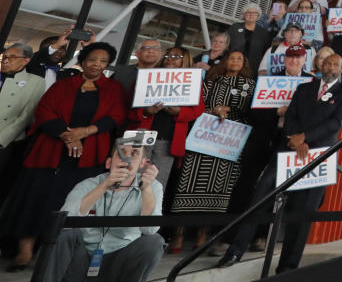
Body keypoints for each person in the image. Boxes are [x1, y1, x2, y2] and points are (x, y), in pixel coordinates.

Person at [218, 53, 342, 273]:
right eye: (327, 63)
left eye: (335, 64)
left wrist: (306, 138)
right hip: (289, 150)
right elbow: (291, 115)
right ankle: (234, 251)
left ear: (341, 69)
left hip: (317, 157)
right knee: (259, 198)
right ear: (320, 66)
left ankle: (287, 268)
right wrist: (295, 138)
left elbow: (335, 123)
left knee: (303, 213)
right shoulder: (304, 88)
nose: (330, 67)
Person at [0, 42, 126, 271]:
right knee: (34, 199)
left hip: (88, 157)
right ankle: (24, 251)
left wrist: (85, 132)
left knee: (73, 204)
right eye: (92, 59)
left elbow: (115, 116)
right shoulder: (63, 85)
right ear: (83, 61)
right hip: (50, 151)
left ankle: (56, 252)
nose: (97, 64)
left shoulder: (114, 89)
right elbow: (44, 111)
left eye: (103, 61)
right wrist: (69, 136)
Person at [225, 45, 311, 254]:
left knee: (273, 188)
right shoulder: (267, 81)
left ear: (304, 60)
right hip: (262, 137)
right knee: (245, 183)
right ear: (284, 60)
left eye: (297, 58)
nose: (293, 61)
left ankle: (261, 235)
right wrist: (276, 112)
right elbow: (252, 112)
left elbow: (312, 115)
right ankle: (228, 235)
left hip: (288, 141)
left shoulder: (311, 82)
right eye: (290, 57)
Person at [171, 51, 256, 251]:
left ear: (244, 63)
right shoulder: (210, 82)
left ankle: (203, 236)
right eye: (231, 58)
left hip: (230, 143)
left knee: (219, 191)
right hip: (203, 140)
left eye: (239, 58)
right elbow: (197, 107)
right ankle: (178, 235)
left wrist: (231, 112)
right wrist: (214, 110)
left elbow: (253, 112)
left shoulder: (251, 86)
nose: (234, 61)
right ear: (225, 61)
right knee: (188, 185)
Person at [43, 143, 164, 282]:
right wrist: (104, 186)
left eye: (134, 153)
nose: (127, 158)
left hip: (119, 258)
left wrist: (146, 189)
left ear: (143, 163)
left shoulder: (153, 186)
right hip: (82, 257)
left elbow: (150, 230)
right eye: (121, 152)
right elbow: (63, 222)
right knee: (65, 236)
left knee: (154, 242)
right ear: (109, 162)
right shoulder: (88, 184)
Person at [126, 47, 205, 193]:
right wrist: (146, 111)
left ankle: (148, 213)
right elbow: (129, 106)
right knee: (128, 176)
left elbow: (197, 110)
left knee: (156, 183)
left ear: (185, 59)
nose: (170, 58)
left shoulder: (193, 80)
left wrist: (179, 111)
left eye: (176, 56)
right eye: (168, 55)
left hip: (168, 139)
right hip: (141, 132)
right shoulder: (148, 76)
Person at [0, 44, 44, 207]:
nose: (6, 60)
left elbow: (26, 116)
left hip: (6, 141)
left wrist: (2, 140)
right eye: (4, 57)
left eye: (12, 57)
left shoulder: (35, 82)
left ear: (26, 60)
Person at [228, 4, 274, 69]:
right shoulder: (235, 27)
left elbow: (266, 52)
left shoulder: (264, 33)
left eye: (254, 13)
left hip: (252, 66)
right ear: (244, 15)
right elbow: (225, 43)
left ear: (258, 16)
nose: (251, 15)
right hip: (233, 63)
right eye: (248, 12)